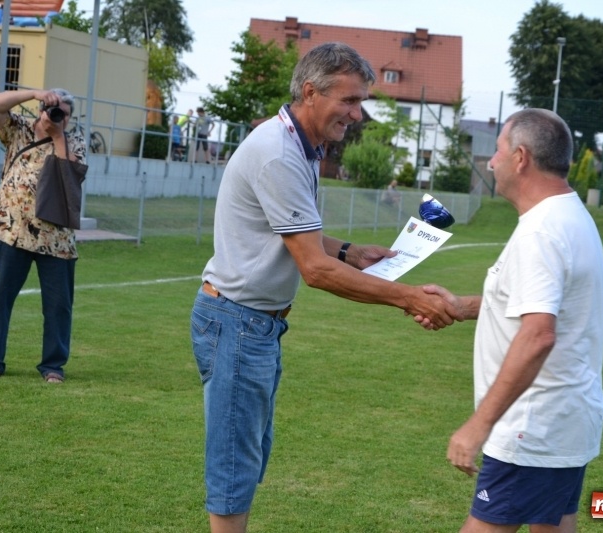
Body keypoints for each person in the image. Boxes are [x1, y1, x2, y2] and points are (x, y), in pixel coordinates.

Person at [190, 42, 462, 533]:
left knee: (247, 458)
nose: (357, 115)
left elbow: (300, 239)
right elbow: (313, 270)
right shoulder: (279, 153)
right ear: (311, 92)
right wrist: (408, 297)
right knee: (233, 467)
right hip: (237, 322)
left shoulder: (302, 146)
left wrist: (350, 252)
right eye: (350, 101)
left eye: (361, 102)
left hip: (254, 325)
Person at [418, 108, 603, 533]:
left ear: (520, 157)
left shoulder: (541, 231)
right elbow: (535, 304)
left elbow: (538, 334)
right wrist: (459, 306)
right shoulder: (569, 215)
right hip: (564, 420)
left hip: (531, 426)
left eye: (498, 150)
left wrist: (477, 425)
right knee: (553, 526)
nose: (491, 161)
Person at [0, 88, 87, 383]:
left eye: (62, 113)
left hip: (57, 241)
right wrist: (35, 92)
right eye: (52, 109)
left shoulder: (74, 141)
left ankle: (53, 366)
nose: (55, 116)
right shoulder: (18, 131)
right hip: (12, 232)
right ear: (40, 109)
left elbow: (69, 180)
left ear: (70, 119)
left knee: (58, 307)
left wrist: (56, 136)